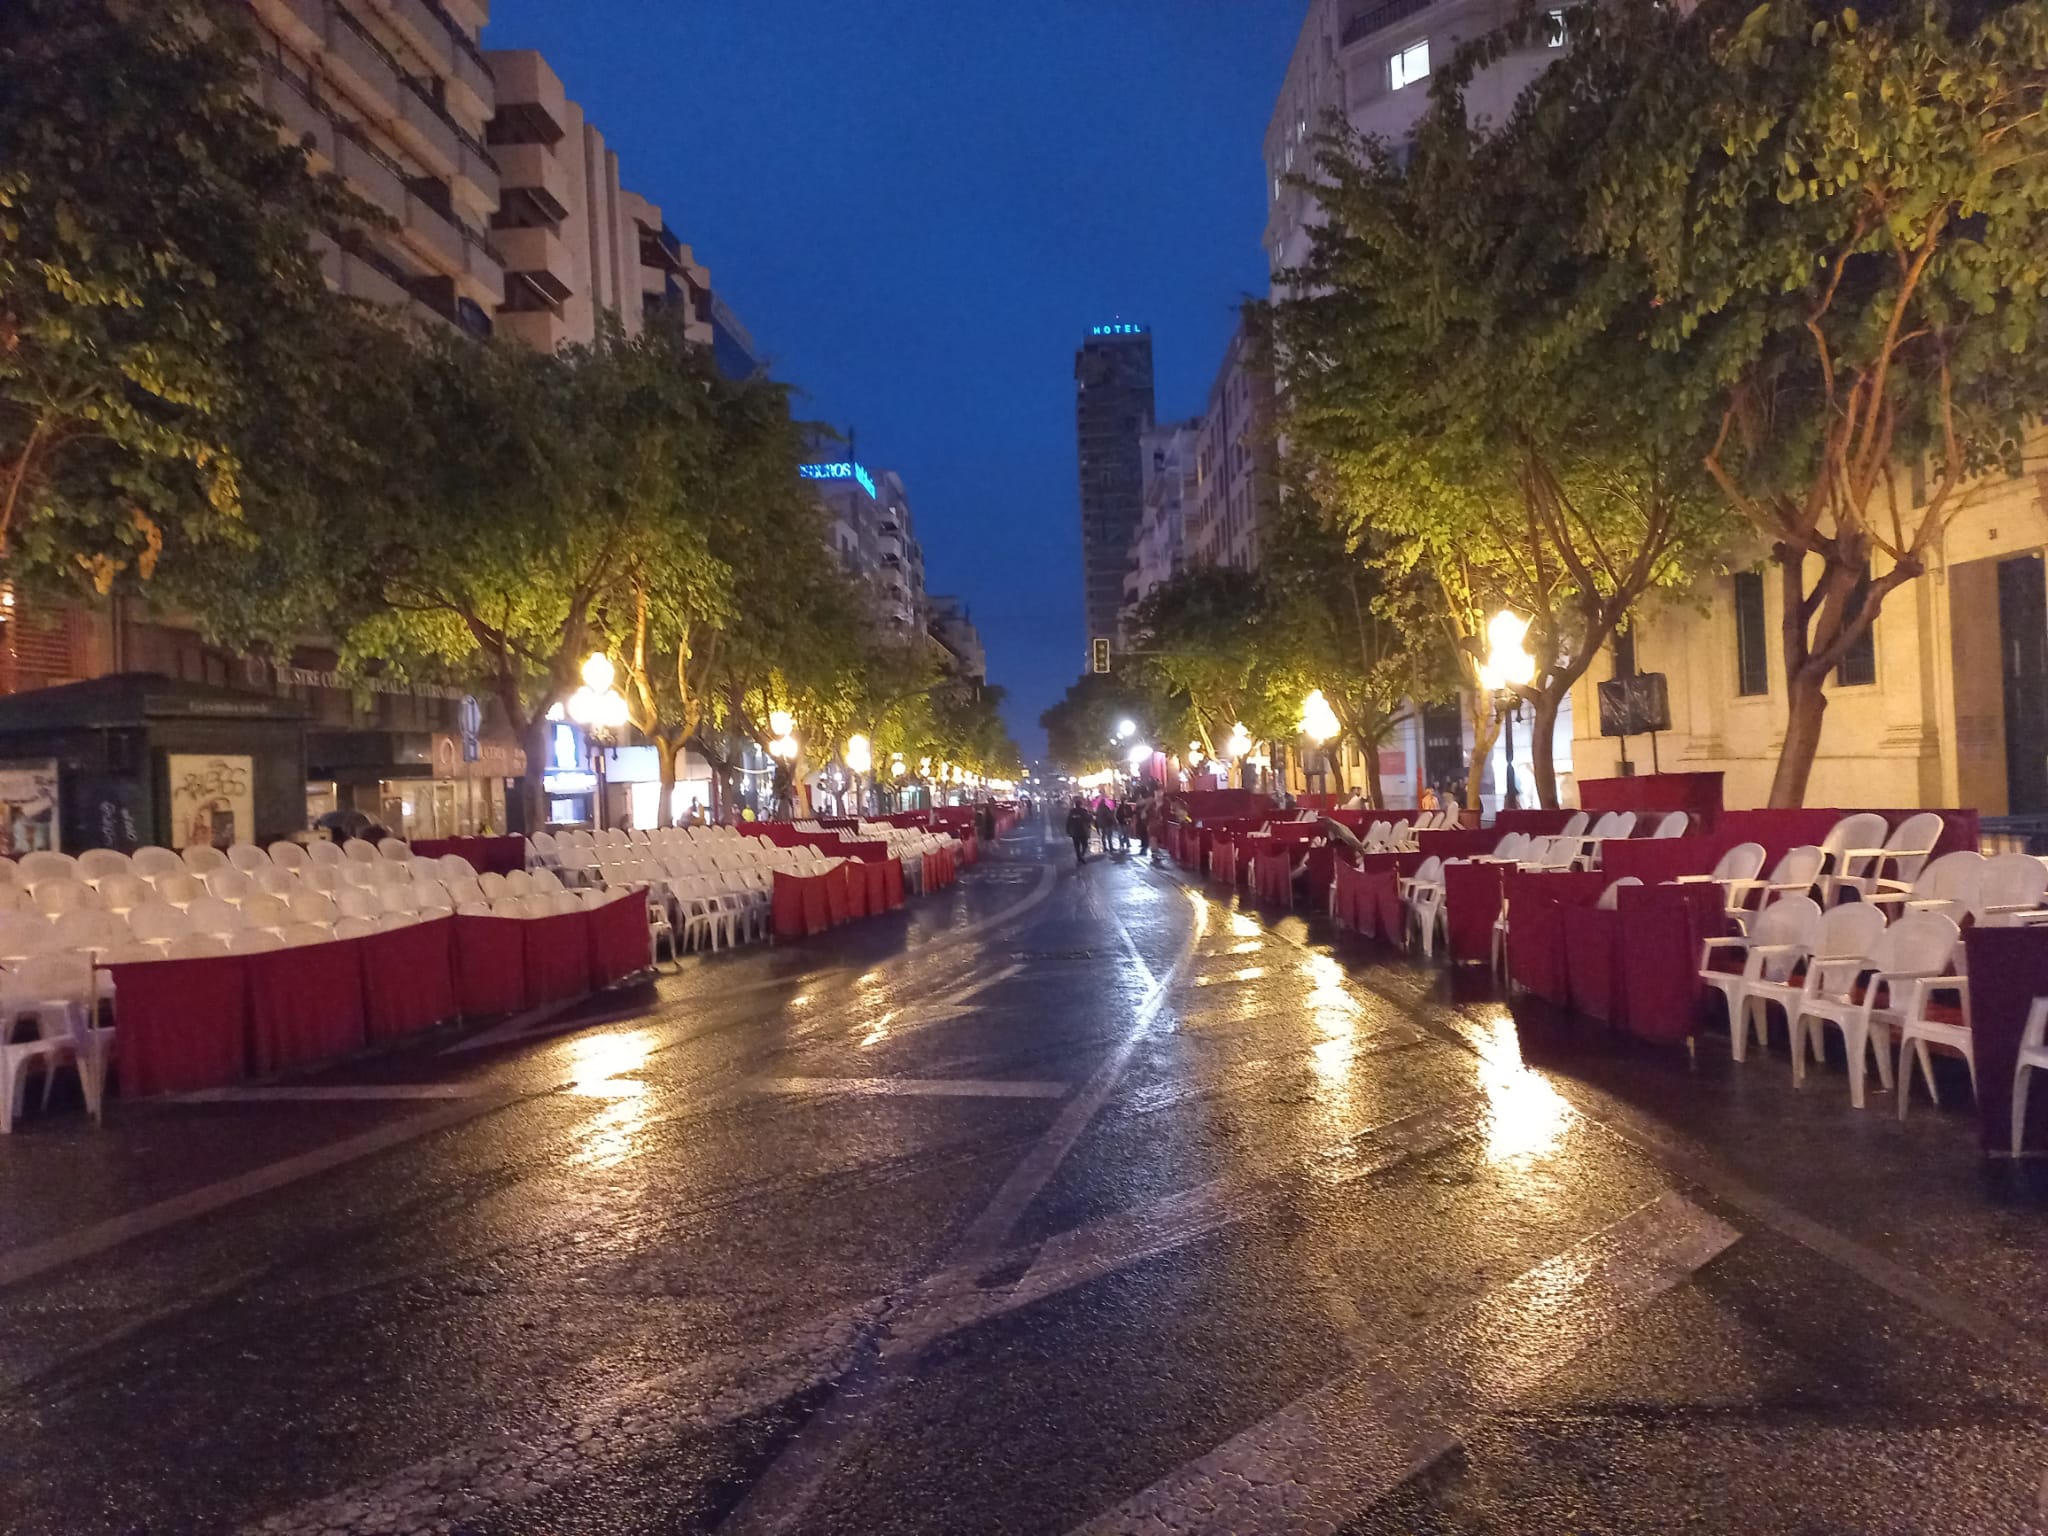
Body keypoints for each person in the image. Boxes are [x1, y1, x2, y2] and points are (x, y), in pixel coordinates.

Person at [1065, 797, 1092, 865]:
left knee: (1077, 846)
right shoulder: (1083, 811)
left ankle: (1079, 857)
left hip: (1075, 832)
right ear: (1080, 804)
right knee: (1084, 845)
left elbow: (1068, 822)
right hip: (1083, 831)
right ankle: (1081, 855)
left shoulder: (1072, 812)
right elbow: (1088, 819)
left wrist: (1068, 830)